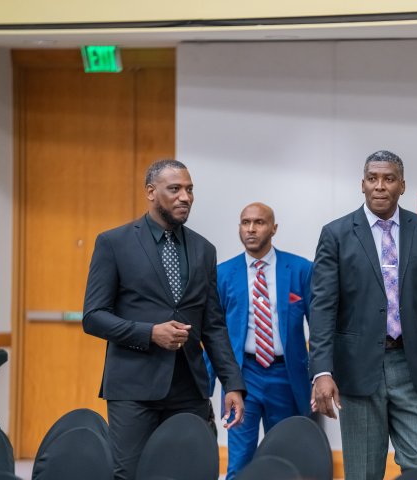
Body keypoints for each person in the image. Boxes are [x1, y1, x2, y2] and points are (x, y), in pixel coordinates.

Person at [83, 159, 246, 480]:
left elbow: (213, 326)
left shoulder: (204, 250)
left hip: (189, 388)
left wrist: (233, 383)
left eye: (190, 190)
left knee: (190, 472)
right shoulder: (114, 243)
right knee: (131, 474)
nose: (185, 197)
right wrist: (149, 333)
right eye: (175, 189)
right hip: (133, 388)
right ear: (151, 192)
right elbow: (93, 317)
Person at [308, 150, 417, 479]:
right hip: (357, 370)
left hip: (411, 367)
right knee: (363, 473)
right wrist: (322, 372)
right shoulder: (336, 234)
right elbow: (322, 309)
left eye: (388, 179)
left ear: (402, 186)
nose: (380, 186)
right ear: (362, 184)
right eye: (372, 178)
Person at [206, 202, 312, 479]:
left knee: (286, 459)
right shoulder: (223, 274)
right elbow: (212, 332)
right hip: (242, 377)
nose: (251, 229)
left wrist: (324, 375)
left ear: (274, 228)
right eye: (245, 222)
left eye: (259, 222)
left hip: (286, 376)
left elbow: (320, 327)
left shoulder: (300, 270)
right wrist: (205, 386)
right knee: (239, 461)